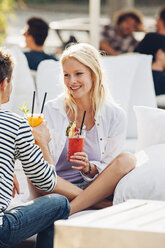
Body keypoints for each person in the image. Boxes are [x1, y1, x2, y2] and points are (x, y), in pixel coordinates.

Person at [28, 42, 136, 215]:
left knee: (128, 159)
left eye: (78, 73)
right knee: (33, 172)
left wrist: (89, 168)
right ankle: (96, 203)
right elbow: (44, 170)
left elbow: (109, 166)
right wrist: (39, 141)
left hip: (94, 186)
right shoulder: (52, 109)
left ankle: (68, 210)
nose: (71, 81)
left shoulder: (115, 115)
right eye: (66, 75)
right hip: (57, 187)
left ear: (94, 75)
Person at [0, 48, 70, 248]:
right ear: (5, 83)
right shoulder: (16, 124)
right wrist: (44, 142)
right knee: (59, 203)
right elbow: (47, 182)